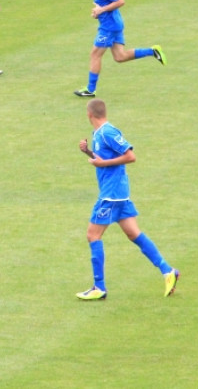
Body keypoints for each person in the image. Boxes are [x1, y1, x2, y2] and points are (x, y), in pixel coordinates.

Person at [75, 98, 179, 301]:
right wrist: (88, 152)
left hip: (111, 195)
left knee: (92, 236)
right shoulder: (99, 134)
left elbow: (130, 157)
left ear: (89, 115)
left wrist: (104, 164)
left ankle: (99, 287)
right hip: (119, 194)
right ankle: (168, 272)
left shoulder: (108, 132)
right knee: (133, 233)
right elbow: (103, 159)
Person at [74, 0, 165, 98]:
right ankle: (152, 51)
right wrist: (98, 13)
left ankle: (90, 89)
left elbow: (120, 1)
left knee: (95, 54)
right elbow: (105, 6)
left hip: (109, 27)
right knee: (120, 57)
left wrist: (102, 10)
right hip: (113, 24)